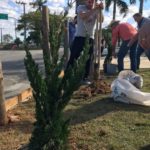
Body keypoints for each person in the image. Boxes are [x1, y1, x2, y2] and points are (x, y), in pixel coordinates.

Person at [66, 0, 103, 84]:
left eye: (92, 2)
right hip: (79, 37)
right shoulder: (80, 8)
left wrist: (101, 10)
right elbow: (83, 17)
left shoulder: (96, 10)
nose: (91, 3)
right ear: (86, 2)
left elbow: (101, 20)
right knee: (74, 57)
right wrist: (95, 9)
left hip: (90, 37)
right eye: (89, 2)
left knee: (88, 58)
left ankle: (85, 78)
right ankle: (67, 77)